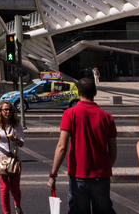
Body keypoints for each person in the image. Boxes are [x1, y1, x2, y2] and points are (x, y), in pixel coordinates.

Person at [48, 77, 118, 214]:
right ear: (95, 93)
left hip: (78, 174)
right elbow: (113, 152)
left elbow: (62, 146)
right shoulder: (107, 117)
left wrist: (53, 174)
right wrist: (104, 168)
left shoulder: (70, 114)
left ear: (78, 93)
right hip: (101, 175)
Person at [0, 101, 25, 214]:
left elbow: (22, 143)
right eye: (5, 110)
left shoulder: (16, 124)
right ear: (0, 111)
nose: (7, 112)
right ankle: (6, 212)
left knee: (15, 188)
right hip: (0, 159)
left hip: (14, 159)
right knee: (4, 188)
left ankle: (17, 206)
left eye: (9, 110)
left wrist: (15, 139)